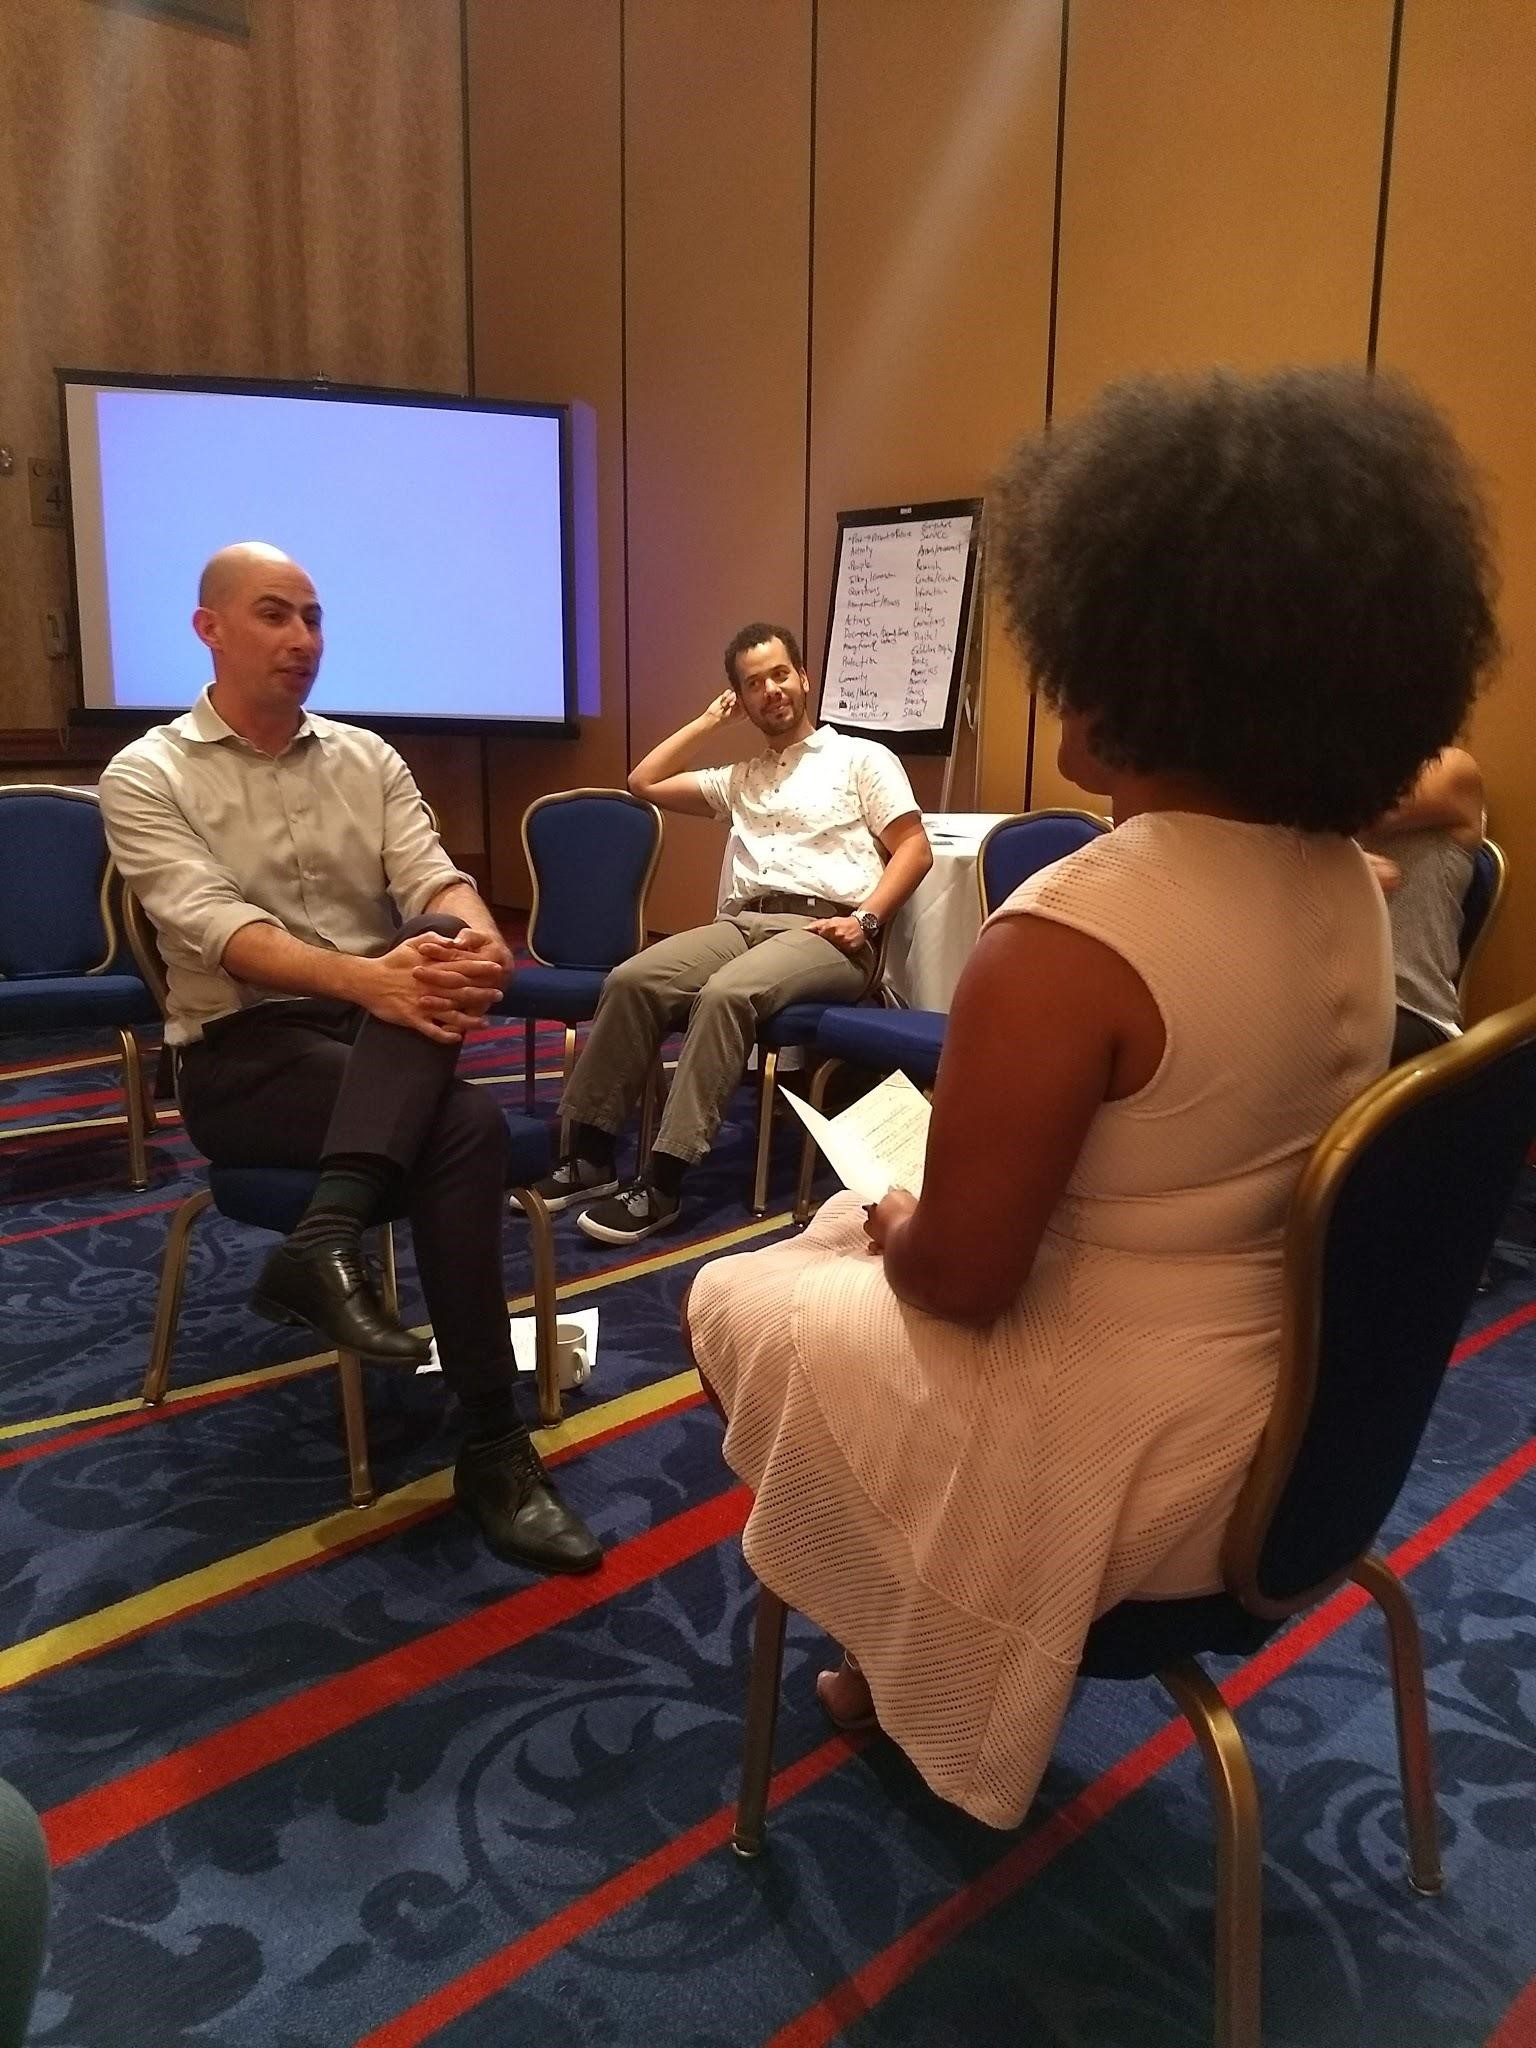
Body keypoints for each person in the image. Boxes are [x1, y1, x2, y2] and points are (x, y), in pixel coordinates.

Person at [681, 368, 1497, 1829]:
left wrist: (897, 1222)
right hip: (1300, 1409)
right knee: (839, 1249)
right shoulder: (1344, 876)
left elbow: (966, 1284)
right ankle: (903, 1640)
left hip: (1125, 1447)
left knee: (740, 1293)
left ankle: (912, 1641)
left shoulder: (1068, 930)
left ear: (1137, 649)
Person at [99, 543, 600, 1576]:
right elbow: (216, 925)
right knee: (464, 1127)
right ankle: (494, 1447)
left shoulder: (367, 758)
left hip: (377, 1041)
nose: (303, 639)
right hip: (241, 1057)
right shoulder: (146, 773)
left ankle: (323, 1238)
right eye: (274, 615)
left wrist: (477, 943)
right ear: (209, 629)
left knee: (440, 956)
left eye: (313, 617)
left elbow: (436, 877)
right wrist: (373, 981)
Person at [538, 622, 933, 1246]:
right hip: (744, 922)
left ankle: (664, 1179)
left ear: (804, 679)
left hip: (827, 929)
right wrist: (706, 722)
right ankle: (589, 1155)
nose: (770, 690)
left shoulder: (862, 758)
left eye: (780, 675)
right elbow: (644, 782)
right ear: (740, 701)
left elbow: (914, 848)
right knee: (633, 979)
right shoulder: (741, 777)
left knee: (728, 994)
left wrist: (865, 921)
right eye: (753, 684)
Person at [1358, 747, 1486, 1064]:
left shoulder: (1451, 768)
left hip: (1410, 1011)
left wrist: (1342, 866)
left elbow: (1361, 813)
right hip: (1329, 1001)